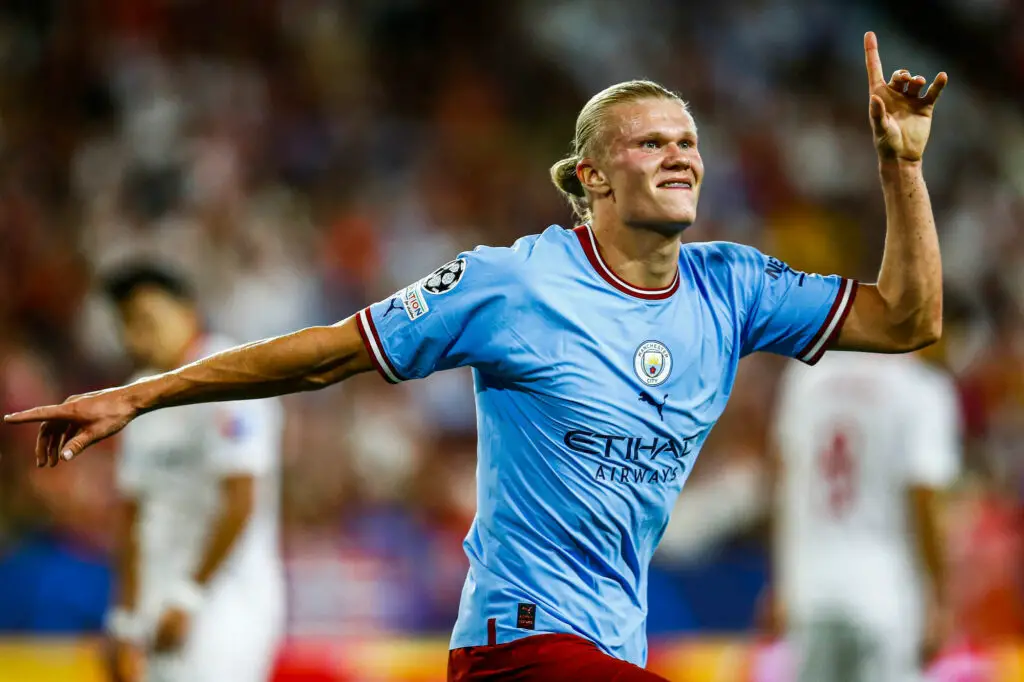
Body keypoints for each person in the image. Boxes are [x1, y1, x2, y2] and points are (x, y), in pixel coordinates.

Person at [6, 33, 947, 681]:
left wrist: (901, 167)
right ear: (591, 178)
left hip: (611, 649)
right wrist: (143, 396)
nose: (680, 155)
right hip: (519, 647)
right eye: (650, 141)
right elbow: (330, 353)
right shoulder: (513, 285)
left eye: (688, 141)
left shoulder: (732, 287)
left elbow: (908, 320)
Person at [96, 264, 286, 682]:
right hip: (158, 601)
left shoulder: (232, 376)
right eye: (126, 324)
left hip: (227, 599)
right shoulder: (135, 395)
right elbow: (132, 514)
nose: (136, 337)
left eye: (148, 320)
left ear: (188, 312)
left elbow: (241, 498)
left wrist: (190, 597)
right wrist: (124, 618)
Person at [768, 351, 962, 682]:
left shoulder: (806, 377)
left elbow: (783, 482)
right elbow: (924, 499)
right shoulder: (920, 388)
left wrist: (782, 580)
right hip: (886, 595)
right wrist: (940, 596)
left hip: (812, 591)